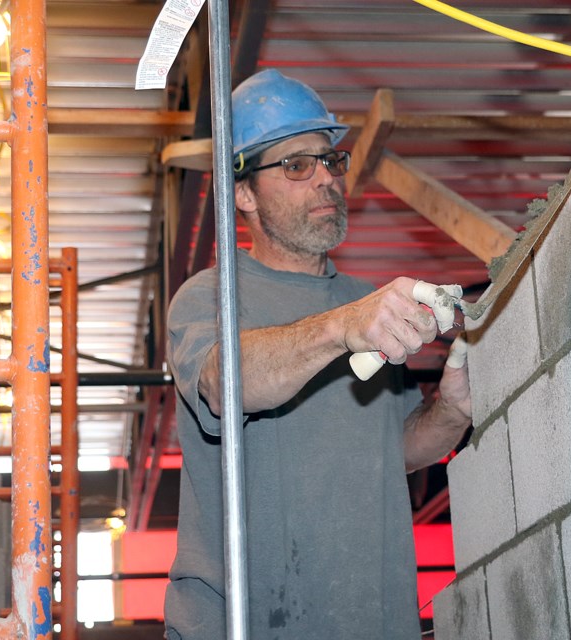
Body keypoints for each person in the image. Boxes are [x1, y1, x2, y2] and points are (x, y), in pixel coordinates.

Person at [164, 68, 472, 640]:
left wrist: (450, 411)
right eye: (297, 166)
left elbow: (392, 451)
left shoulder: (365, 302)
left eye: (331, 161)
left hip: (371, 621)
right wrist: (344, 328)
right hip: (240, 626)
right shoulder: (210, 297)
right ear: (243, 192)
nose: (325, 180)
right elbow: (226, 384)